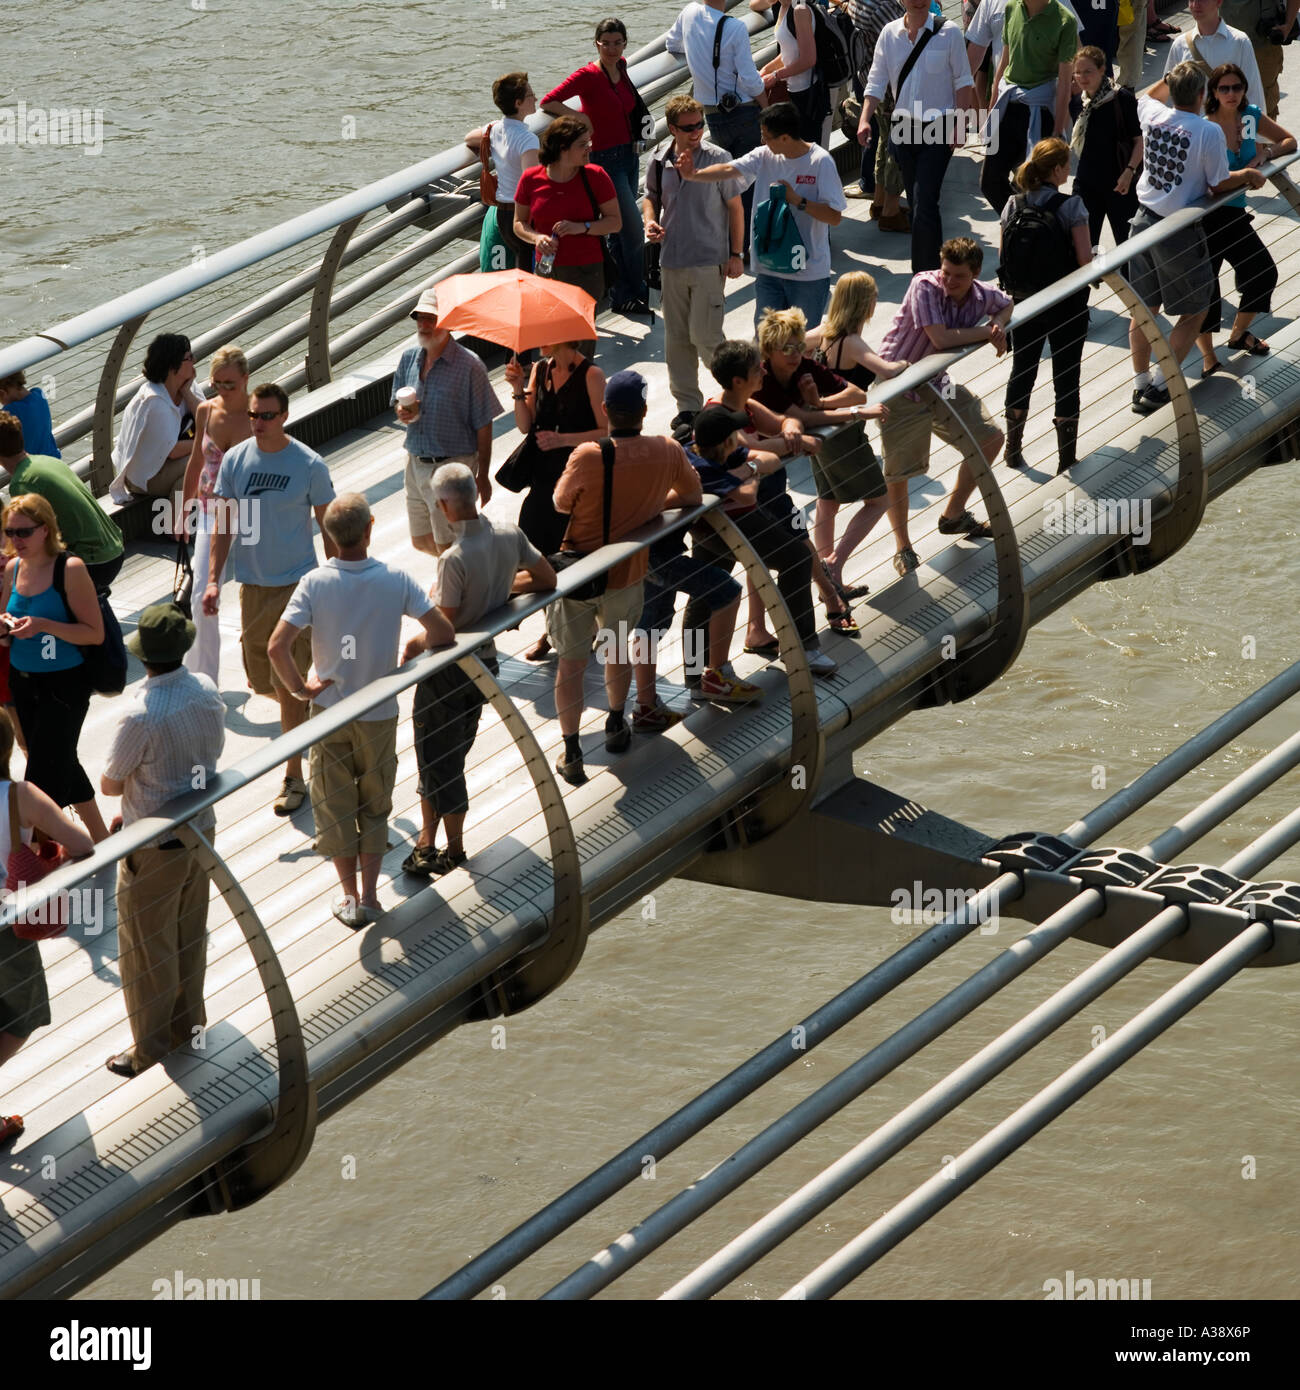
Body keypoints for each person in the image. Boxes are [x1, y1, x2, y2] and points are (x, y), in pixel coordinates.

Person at [268, 495, 453, 928]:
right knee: (374, 803)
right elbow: (442, 632)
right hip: (379, 712)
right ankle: (372, 895)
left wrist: (301, 689)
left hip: (330, 712)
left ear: (327, 535)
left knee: (334, 807)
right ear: (371, 527)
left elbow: (276, 646)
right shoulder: (395, 579)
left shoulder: (314, 583)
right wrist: (406, 661)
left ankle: (349, 898)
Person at [548, 370, 703, 786]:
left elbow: (561, 504)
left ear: (605, 411)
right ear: (645, 411)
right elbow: (691, 496)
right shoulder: (668, 450)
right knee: (617, 651)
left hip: (579, 574)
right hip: (628, 574)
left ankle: (572, 751)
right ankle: (617, 726)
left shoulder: (586, 455)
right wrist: (649, 510)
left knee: (571, 665)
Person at [401, 465, 556, 870]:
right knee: (442, 758)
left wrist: (407, 648)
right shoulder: (509, 534)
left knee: (441, 762)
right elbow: (547, 579)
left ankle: (452, 852)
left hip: (447, 673)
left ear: (445, 505)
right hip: (485, 666)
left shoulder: (453, 559)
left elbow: (444, 628)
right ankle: (426, 844)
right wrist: (501, 588)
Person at [98, 602, 225, 1079]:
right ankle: (188, 1027)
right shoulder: (207, 690)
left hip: (153, 847)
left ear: (143, 656)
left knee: (148, 952)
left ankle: (147, 1051)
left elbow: (111, 783)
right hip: (201, 830)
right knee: (189, 935)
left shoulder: (139, 712)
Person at [202, 382, 336, 814]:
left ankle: (294, 775)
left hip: (298, 585)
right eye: (253, 415)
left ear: (285, 416)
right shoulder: (236, 460)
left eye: (267, 416)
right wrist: (210, 581)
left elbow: (329, 527)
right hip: (253, 586)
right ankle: (311, 714)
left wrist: (338, 584)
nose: (258, 423)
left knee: (285, 680)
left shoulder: (309, 464)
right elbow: (222, 524)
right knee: (262, 681)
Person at [1126, 63, 1266, 414]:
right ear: (1204, 95)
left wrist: (1171, 74)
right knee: (1194, 310)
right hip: (1177, 230)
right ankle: (1161, 386)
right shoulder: (1207, 131)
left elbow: (1149, 95)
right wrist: (1248, 173)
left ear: (1173, 90)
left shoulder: (1152, 111)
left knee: (1145, 310)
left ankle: (1140, 383)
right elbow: (1219, 182)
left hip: (1141, 223)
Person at [875, 236, 1012, 576]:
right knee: (901, 472)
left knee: (991, 438)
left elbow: (1007, 303)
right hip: (900, 390)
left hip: (938, 385)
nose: (949, 281)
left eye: (959, 276)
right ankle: (903, 548)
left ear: (975, 275)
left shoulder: (981, 293)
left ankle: (953, 516)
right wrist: (986, 334)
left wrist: (999, 324)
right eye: (946, 272)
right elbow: (941, 339)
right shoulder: (924, 285)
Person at [754, 307, 885, 634]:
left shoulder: (803, 367)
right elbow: (802, 416)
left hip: (773, 474)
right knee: (785, 545)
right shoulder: (763, 379)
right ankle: (828, 608)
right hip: (752, 474)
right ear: (768, 350)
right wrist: (854, 414)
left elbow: (856, 392)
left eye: (800, 346)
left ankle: (758, 630)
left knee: (760, 552)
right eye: (787, 348)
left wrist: (823, 403)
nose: (796, 354)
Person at [680, 404, 836, 677]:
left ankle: (694, 676)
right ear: (728, 441)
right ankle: (802, 648)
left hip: (711, 528)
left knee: (702, 596)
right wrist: (751, 471)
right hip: (730, 528)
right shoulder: (703, 468)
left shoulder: (708, 451)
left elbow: (770, 460)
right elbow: (749, 495)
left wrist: (748, 466)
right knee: (796, 559)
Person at [0, 708, 94, 1146]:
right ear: (8, 746)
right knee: (24, 1014)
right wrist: (48, 860)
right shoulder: (19, 796)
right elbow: (83, 845)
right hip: (6, 925)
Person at [677, 100, 846, 329]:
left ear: (785, 137)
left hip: (808, 275)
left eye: (767, 136)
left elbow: (834, 217)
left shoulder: (820, 162)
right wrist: (694, 174)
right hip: (769, 271)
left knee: (801, 345)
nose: (762, 141)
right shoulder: (764, 155)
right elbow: (729, 169)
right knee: (765, 344)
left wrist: (797, 200)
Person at [705, 337, 827, 655]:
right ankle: (803, 648)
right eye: (756, 368)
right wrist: (791, 442)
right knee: (794, 560)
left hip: (746, 508)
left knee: (711, 591)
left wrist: (789, 429)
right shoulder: (717, 415)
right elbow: (750, 449)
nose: (763, 371)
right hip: (727, 515)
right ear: (737, 380)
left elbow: (783, 422)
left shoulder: (745, 404)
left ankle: (704, 675)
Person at [0, 493, 109, 842]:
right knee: (62, 759)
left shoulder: (70, 568)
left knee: (41, 776)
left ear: (45, 530)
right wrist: (5, 627)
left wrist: (43, 625)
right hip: (23, 681)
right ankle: (100, 837)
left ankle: (31, 853)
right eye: (9, 532)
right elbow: (4, 628)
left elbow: (94, 633)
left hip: (63, 684)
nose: (15, 540)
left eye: (23, 532)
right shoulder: (13, 568)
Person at [643, 94, 746, 431]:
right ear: (672, 128)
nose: (697, 131)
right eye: (688, 127)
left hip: (709, 261)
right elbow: (651, 199)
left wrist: (736, 254)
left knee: (706, 335)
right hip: (672, 261)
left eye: (700, 123)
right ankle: (688, 405)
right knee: (677, 339)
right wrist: (650, 222)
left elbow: (735, 208)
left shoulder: (718, 158)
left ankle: (735, 395)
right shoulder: (659, 161)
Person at [503, 342, 607, 661]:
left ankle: (569, 631)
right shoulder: (540, 369)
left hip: (577, 477)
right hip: (543, 479)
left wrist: (563, 439)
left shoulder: (592, 374)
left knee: (570, 554)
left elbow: (605, 430)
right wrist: (518, 389)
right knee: (535, 554)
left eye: (545, 334)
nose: (538, 341)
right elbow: (525, 424)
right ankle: (553, 629)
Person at [805, 272, 909, 589]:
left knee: (828, 502)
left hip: (819, 432)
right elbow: (887, 371)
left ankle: (827, 582)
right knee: (878, 500)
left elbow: (780, 346)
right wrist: (906, 363)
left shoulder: (821, 334)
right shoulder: (851, 342)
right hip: (845, 433)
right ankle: (834, 566)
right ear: (865, 303)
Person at [541, 18, 650, 314]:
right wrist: (580, 119)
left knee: (618, 231)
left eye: (618, 43)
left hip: (629, 156)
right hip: (603, 161)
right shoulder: (588, 75)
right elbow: (548, 102)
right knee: (632, 228)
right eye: (606, 44)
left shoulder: (622, 67)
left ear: (625, 43)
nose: (612, 49)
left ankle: (622, 294)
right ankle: (634, 290)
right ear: (596, 44)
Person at [860, 0, 977, 272]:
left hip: (939, 127)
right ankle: (931, 271)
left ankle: (927, 273)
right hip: (903, 128)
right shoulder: (889, 34)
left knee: (925, 200)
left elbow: (963, 80)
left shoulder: (949, 33)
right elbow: (876, 81)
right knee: (916, 202)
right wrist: (865, 118)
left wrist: (961, 124)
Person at [1000, 139, 1093, 472]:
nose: (1069, 170)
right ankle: (1066, 459)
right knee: (1066, 376)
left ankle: (1012, 449)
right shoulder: (1072, 207)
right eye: (1066, 165)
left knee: (1022, 370)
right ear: (1056, 170)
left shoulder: (1013, 204)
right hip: (1065, 305)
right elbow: (1084, 261)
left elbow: (1003, 261)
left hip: (1024, 303)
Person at [1194, 63, 1293, 372]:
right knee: (1206, 291)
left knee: (1263, 272)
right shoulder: (1205, 126)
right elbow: (1210, 182)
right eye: (1224, 88)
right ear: (1213, 91)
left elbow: (1289, 141)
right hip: (1205, 220)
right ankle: (1209, 358)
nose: (1232, 94)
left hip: (1234, 214)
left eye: (1237, 87)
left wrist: (1265, 155)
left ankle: (1237, 335)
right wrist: (1246, 173)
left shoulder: (1247, 118)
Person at [391, 288, 501, 557]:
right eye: (420, 318)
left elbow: (484, 424)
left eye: (431, 318)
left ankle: (459, 589)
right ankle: (466, 573)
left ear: (448, 323)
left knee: (450, 545)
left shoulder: (469, 366)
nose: (424, 325)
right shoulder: (409, 359)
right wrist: (402, 412)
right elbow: (397, 403)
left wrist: (483, 475)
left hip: (451, 466)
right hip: (416, 463)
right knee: (421, 540)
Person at [665, 0, 768, 259]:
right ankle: (742, 247)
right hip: (743, 110)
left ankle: (725, 243)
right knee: (746, 179)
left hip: (711, 113)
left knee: (721, 178)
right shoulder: (735, 27)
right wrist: (766, 106)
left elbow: (672, 44)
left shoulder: (688, 12)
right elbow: (748, 77)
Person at [514, 116, 624, 357]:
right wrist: (536, 238)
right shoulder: (531, 179)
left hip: (586, 271)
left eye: (589, 142)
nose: (590, 148)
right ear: (562, 148)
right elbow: (519, 223)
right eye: (583, 144)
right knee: (551, 340)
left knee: (579, 344)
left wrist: (582, 227)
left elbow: (615, 223)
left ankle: (581, 384)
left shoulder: (595, 176)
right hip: (547, 272)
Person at [177, 345, 251, 685]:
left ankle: (261, 662)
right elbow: (196, 462)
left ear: (246, 378)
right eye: (217, 383)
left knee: (261, 589)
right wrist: (184, 509)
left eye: (230, 384)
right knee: (202, 593)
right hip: (210, 510)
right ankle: (203, 678)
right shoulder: (205, 411)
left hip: (251, 512)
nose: (223, 390)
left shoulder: (258, 414)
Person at [0, 411, 125, 597]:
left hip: (92, 563)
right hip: (114, 550)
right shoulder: (46, 462)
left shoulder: (22, 483)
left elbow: (31, 542)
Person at [983, 0, 1079, 215]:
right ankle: (1018, 224)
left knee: (1032, 185)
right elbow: (1004, 62)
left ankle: (1028, 229)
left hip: (1041, 111)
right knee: (990, 182)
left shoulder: (1066, 20)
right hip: (1009, 105)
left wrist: (1057, 132)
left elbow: (1064, 83)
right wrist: (992, 106)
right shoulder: (1011, 8)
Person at [836, 0, 910, 230]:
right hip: (892, 87)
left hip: (871, 79)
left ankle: (879, 203)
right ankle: (890, 212)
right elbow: (905, 40)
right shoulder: (882, 7)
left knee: (883, 142)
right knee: (897, 147)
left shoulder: (858, 3)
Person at [108, 334, 201, 505]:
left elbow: (211, 423)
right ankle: (176, 525)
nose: (194, 360)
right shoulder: (154, 401)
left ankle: (177, 525)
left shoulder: (188, 385)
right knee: (204, 460)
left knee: (198, 469)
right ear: (173, 367)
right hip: (144, 476)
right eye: (189, 358)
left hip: (166, 465)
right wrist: (208, 443)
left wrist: (187, 394)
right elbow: (171, 450)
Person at [465, 71, 540, 270]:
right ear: (518, 103)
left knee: (518, 264)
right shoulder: (527, 139)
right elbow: (531, 182)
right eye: (531, 96)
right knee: (528, 268)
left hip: (502, 213)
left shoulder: (494, 128)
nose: (536, 98)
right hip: (522, 215)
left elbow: (470, 138)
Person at [1071, 45, 1143, 245]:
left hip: (1119, 185)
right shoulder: (1082, 100)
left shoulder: (1122, 98)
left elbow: (1140, 140)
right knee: (1083, 247)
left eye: (1088, 71)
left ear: (1102, 70)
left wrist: (1129, 171)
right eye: (1077, 72)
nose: (1082, 77)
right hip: (1086, 184)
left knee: (1127, 246)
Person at [1168, 0, 1264, 116]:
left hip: (1229, 130)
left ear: (1219, 2)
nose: (1195, 5)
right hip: (1193, 131)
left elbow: (1253, 95)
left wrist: (1252, 132)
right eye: (1191, 0)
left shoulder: (1239, 42)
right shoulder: (1180, 44)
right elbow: (1170, 95)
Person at [757, 0, 832, 145]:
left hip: (809, 95)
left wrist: (776, 75)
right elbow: (789, 50)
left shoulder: (800, 10)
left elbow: (808, 59)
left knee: (807, 154)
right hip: (794, 93)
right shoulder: (784, 7)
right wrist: (767, 69)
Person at [1220, 0, 1300, 118]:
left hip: (1262, 46)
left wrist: (1288, 25)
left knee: (1264, 107)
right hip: (1225, 44)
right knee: (1225, 103)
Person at [0, 372, 59, 458]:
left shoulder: (10, 410)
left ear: (2, 393)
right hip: (54, 459)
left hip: (32, 466)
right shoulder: (39, 394)